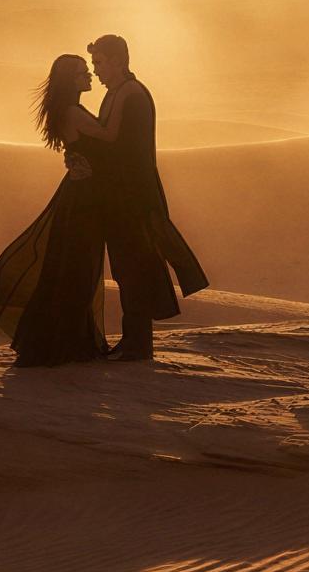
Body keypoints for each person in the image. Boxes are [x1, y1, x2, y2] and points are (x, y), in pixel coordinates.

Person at [61, 33, 208, 360]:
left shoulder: (131, 93)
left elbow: (120, 147)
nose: (96, 70)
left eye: (100, 62)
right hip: (121, 197)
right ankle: (135, 341)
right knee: (128, 268)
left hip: (132, 197)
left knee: (134, 267)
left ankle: (138, 344)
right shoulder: (118, 93)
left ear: (116, 61)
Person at [0, 54, 110, 367]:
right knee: (77, 267)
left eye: (88, 70)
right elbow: (111, 135)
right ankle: (64, 345)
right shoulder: (72, 112)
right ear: (69, 80)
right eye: (82, 72)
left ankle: (65, 342)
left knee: (73, 266)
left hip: (79, 195)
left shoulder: (67, 110)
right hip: (83, 199)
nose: (88, 75)